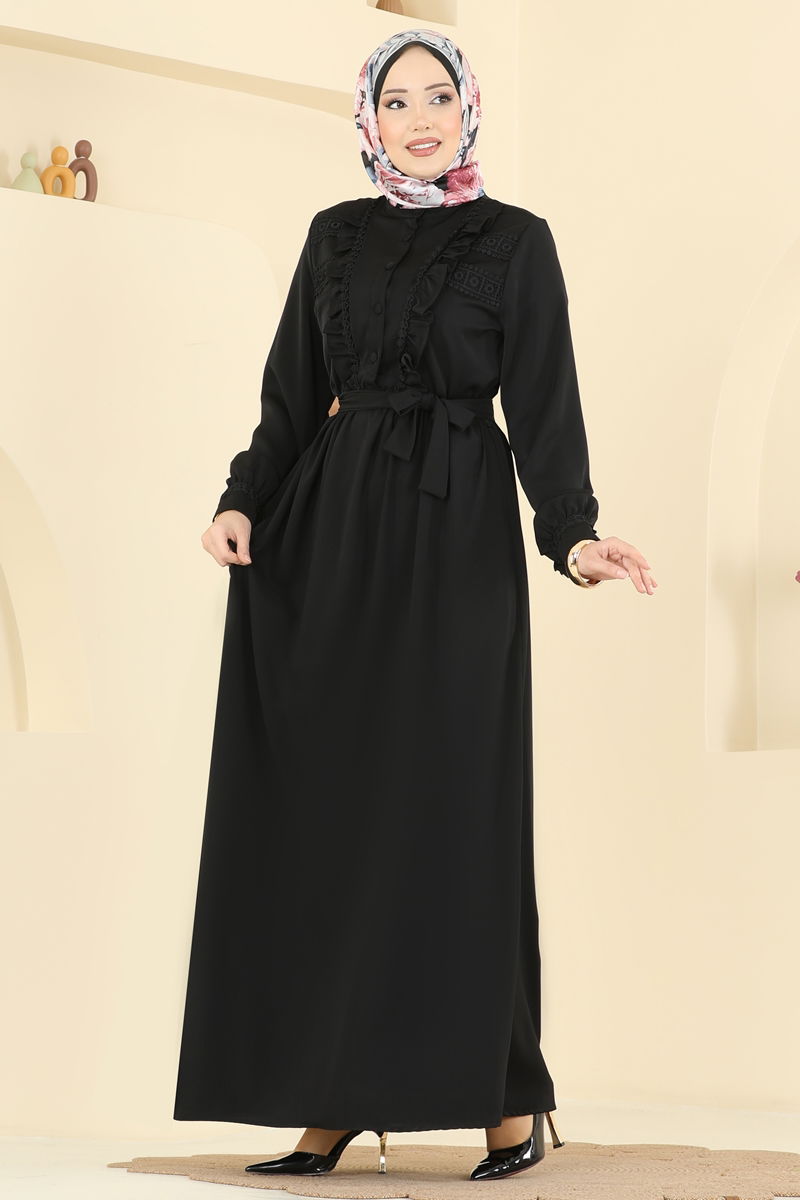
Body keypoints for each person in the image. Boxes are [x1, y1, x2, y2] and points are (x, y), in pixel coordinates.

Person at [172, 26, 657, 1184]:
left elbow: (543, 404)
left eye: (439, 96)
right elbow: (290, 397)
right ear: (369, 120)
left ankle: (502, 1098)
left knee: (453, 814)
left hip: (454, 539)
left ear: (468, 109)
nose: (420, 117)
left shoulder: (515, 241)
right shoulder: (332, 237)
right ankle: (333, 1093)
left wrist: (571, 533)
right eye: (397, 101)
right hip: (328, 538)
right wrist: (242, 500)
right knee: (331, 815)